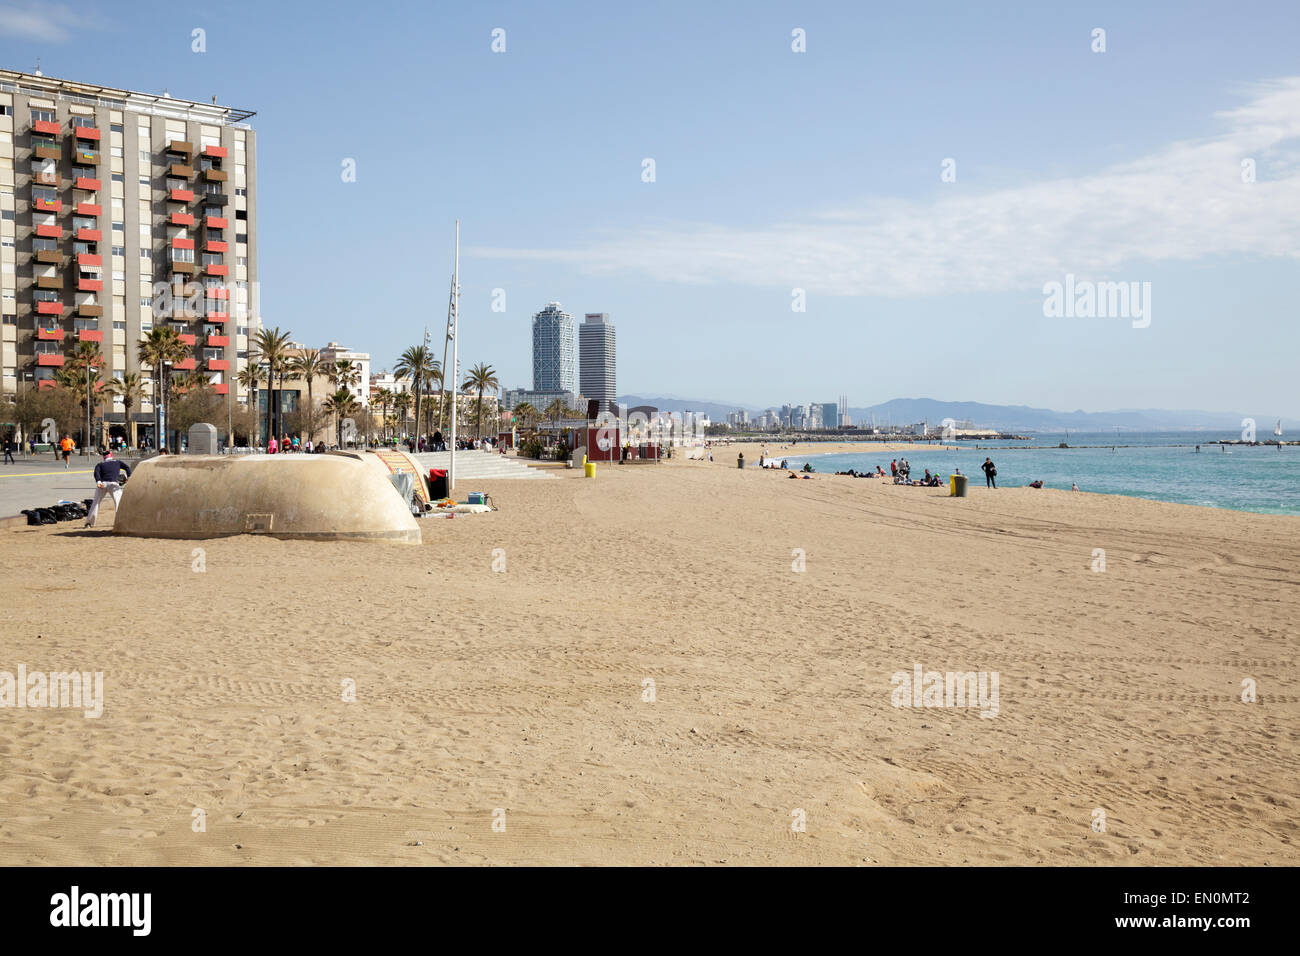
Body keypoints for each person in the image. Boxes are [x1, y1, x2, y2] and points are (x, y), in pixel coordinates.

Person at [84, 450, 130, 527]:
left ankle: (89, 523)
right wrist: (129, 476)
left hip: (102, 484)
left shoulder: (100, 464)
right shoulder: (117, 462)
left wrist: (98, 481)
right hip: (114, 484)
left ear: (104, 457)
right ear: (111, 455)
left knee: (95, 503)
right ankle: (120, 522)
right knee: (119, 503)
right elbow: (127, 467)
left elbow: (96, 473)